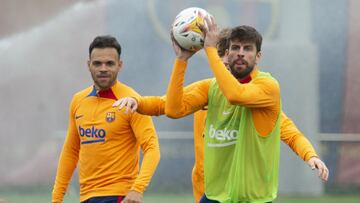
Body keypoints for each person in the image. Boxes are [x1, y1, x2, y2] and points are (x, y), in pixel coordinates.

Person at [113, 27, 328, 202]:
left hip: (250, 195)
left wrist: (311, 155)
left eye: (246, 49)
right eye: (231, 52)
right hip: (211, 192)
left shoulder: (264, 89)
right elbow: (170, 107)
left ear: (257, 56)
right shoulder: (211, 89)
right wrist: (139, 100)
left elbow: (288, 131)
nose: (228, 64)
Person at [52, 35, 160, 203]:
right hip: (86, 196)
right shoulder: (78, 100)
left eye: (109, 63)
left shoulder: (132, 101)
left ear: (120, 65)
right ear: (88, 65)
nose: (103, 68)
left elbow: (152, 148)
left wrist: (137, 189)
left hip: (118, 195)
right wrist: (56, 197)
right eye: (97, 63)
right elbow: (71, 151)